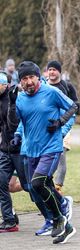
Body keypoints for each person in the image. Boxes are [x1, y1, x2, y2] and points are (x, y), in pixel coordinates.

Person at [15, 61, 77, 243]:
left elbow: (73, 107)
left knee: (37, 184)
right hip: (32, 150)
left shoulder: (51, 92)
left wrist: (60, 122)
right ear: (21, 81)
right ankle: (66, 225)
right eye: (24, 79)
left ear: (37, 77)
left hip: (51, 147)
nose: (28, 82)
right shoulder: (19, 98)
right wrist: (17, 133)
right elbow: (18, 121)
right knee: (44, 186)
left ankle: (58, 219)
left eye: (31, 77)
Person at [47, 60, 79, 194]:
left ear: (59, 72)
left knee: (60, 157)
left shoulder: (67, 87)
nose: (52, 72)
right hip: (47, 128)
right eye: (50, 69)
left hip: (64, 126)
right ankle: (47, 188)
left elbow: (75, 106)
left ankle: (58, 188)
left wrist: (64, 129)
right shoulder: (43, 86)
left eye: (54, 69)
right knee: (47, 160)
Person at [0, 71, 27, 233]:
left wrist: (11, 104)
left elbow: (13, 125)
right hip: (5, 150)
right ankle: (10, 220)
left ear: (5, 85)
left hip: (20, 149)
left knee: (30, 185)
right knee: (1, 183)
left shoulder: (15, 99)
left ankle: (56, 210)